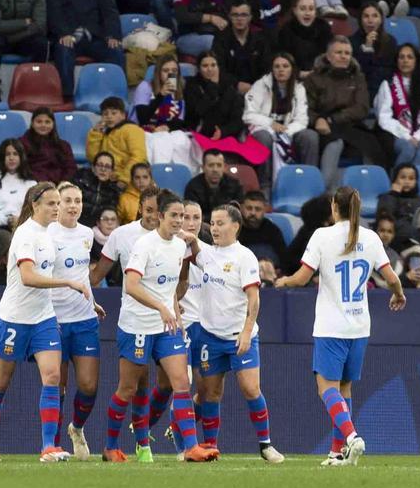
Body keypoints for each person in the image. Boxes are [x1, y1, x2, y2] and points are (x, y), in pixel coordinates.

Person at [276, 186, 407, 465]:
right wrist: (398, 294)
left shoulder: (322, 236)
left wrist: (283, 280)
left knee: (326, 389)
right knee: (344, 389)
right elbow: (391, 277)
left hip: (331, 325)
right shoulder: (370, 237)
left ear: (334, 207)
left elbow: (301, 278)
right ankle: (337, 452)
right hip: (359, 327)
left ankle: (351, 436)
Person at [101, 190, 215, 463]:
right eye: (174, 215)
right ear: (161, 216)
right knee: (128, 389)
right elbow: (131, 286)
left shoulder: (179, 245)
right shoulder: (145, 245)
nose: (179, 221)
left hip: (166, 327)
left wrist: (174, 311)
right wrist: (161, 308)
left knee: (181, 382)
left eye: (182, 216)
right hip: (137, 325)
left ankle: (191, 447)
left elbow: (170, 287)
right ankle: (110, 447)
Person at [0, 182, 90, 462]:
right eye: (52, 203)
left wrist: (87, 297)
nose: (57, 208)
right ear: (35, 204)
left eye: (58, 203)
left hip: (43, 317)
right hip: (14, 318)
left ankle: (48, 447)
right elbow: (28, 277)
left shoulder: (47, 234)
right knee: (0, 384)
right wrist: (67, 283)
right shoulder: (26, 235)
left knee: (52, 377)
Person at [192, 203, 283, 462]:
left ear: (235, 226)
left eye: (220, 223)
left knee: (251, 389)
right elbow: (190, 246)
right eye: (212, 223)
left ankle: (265, 445)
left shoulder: (245, 257)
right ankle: (210, 445)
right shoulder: (206, 254)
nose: (215, 228)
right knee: (211, 393)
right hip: (210, 336)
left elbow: (254, 298)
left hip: (240, 336)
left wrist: (246, 331)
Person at [46, 181, 105, 460]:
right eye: (67, 201)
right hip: (54, 320)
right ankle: (53, 446)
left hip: (84, 318)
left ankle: (77, 428)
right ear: (57, 205)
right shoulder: (47, 234)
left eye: (77, 201)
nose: (73, 206)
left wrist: (92, 302)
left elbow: (81, 275)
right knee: (57, 385)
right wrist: (45, 313)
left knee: (89, 386)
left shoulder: (86, 234)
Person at [44, 0, 124, 96]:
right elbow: (54, 12)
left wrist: (113, 35)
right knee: (63, 50)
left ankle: (117, 95)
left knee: (115, 50)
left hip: (95, 37)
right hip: (68, 36)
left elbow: (110, 13)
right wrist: (63, 33)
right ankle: (67, 97)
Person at [304, 36, 385, 187]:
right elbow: (306, 108)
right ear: (328, 56)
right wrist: (317, 120)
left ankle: (374, 188)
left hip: (350, 125)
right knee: (335, 142)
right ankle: (322, 187)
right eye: (339, 52)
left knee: (372, 146)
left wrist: (334, 119)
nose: (343, 56)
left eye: (347, 53)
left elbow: (362, 108)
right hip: (323, 127)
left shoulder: (358, 77)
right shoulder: (313, 79)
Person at [245, 52, 312, 187]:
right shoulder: (260, 85)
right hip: (263, 129)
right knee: (264, 138)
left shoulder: (299, 88)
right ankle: (265, 184)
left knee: (310, 136)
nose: (281, 70)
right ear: (272, 69)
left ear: (292, 69)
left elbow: (302, 119)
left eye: (285, 66)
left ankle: (308, 181)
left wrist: (285, 131)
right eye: (277, 66)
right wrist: (270, 123)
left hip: (288, 131)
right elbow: (249, 115)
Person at [373, 44, 420, 167]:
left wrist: (417, 137)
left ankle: (413, 179)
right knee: (408, 149)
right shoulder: (388, 84)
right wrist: (407, 136)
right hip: (392, 133)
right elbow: (384, 118)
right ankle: (397, 178)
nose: (405, 61)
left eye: (409, 57)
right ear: (397, 61)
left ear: (416, 61)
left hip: (417, 134)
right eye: (401, 57)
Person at [86, 96, 146, 186]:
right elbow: (93, 158)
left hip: (128, 180)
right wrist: (96, 134)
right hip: (107, 178)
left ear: (123, 115)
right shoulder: (103, 133)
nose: (109, 117)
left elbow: (139, 157)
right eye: (105, 114)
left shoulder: (132, 130)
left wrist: (124, 179)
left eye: (114, 113)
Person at [20, 107, 76, 184]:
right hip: (32, 184)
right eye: (39, 122)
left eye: (47, 122)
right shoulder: (22, 144)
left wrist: (63, 183)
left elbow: (71, 168)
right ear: (32, 123)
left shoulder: (64, 145)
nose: (43, 125)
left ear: (53, 124)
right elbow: (22, 169)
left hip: (59, 185)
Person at [184, 149, 243, 214]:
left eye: (219, 165)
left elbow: (237, 213)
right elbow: (193, 214)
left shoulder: (235, 185)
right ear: (203, 168)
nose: (215, 170)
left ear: (224, 167)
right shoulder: (193, 188)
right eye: (211, 165)